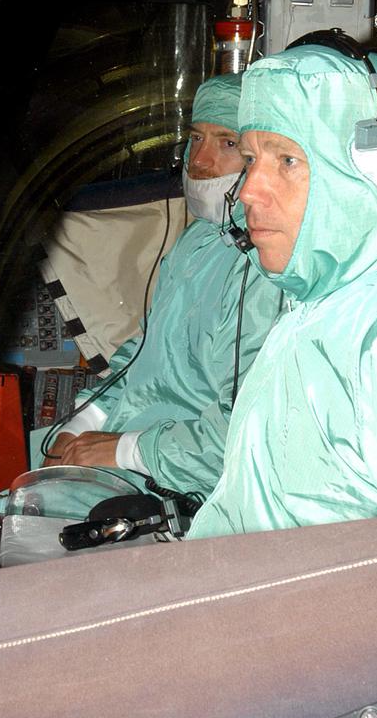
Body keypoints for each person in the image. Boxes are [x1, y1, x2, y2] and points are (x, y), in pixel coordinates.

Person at [187, 42, 377, 538]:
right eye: (252, 158)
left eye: (288, 161)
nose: (250, 189)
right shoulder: (324, 301)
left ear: (360, 171)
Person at [42, 73, 280, 498]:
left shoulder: (264, 270)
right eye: (196, 139)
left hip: (180, 479)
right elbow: (145, 350)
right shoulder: (198, 240)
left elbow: (245, 436)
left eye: (226, 143)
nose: (199, 161)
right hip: (136, 443)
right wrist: (82, 423)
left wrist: (125, 451)